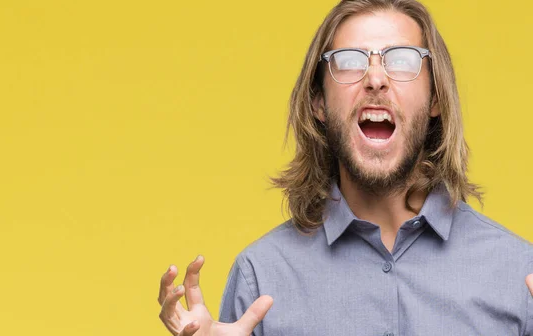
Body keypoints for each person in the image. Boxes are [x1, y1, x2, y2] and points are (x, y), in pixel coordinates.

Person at [157, 0, 533, 335]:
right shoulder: (262, 278)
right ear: (319, 103)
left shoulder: (519, 274)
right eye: (350, 60)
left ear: (435, 97)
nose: (375, 79)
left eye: (401, 59)